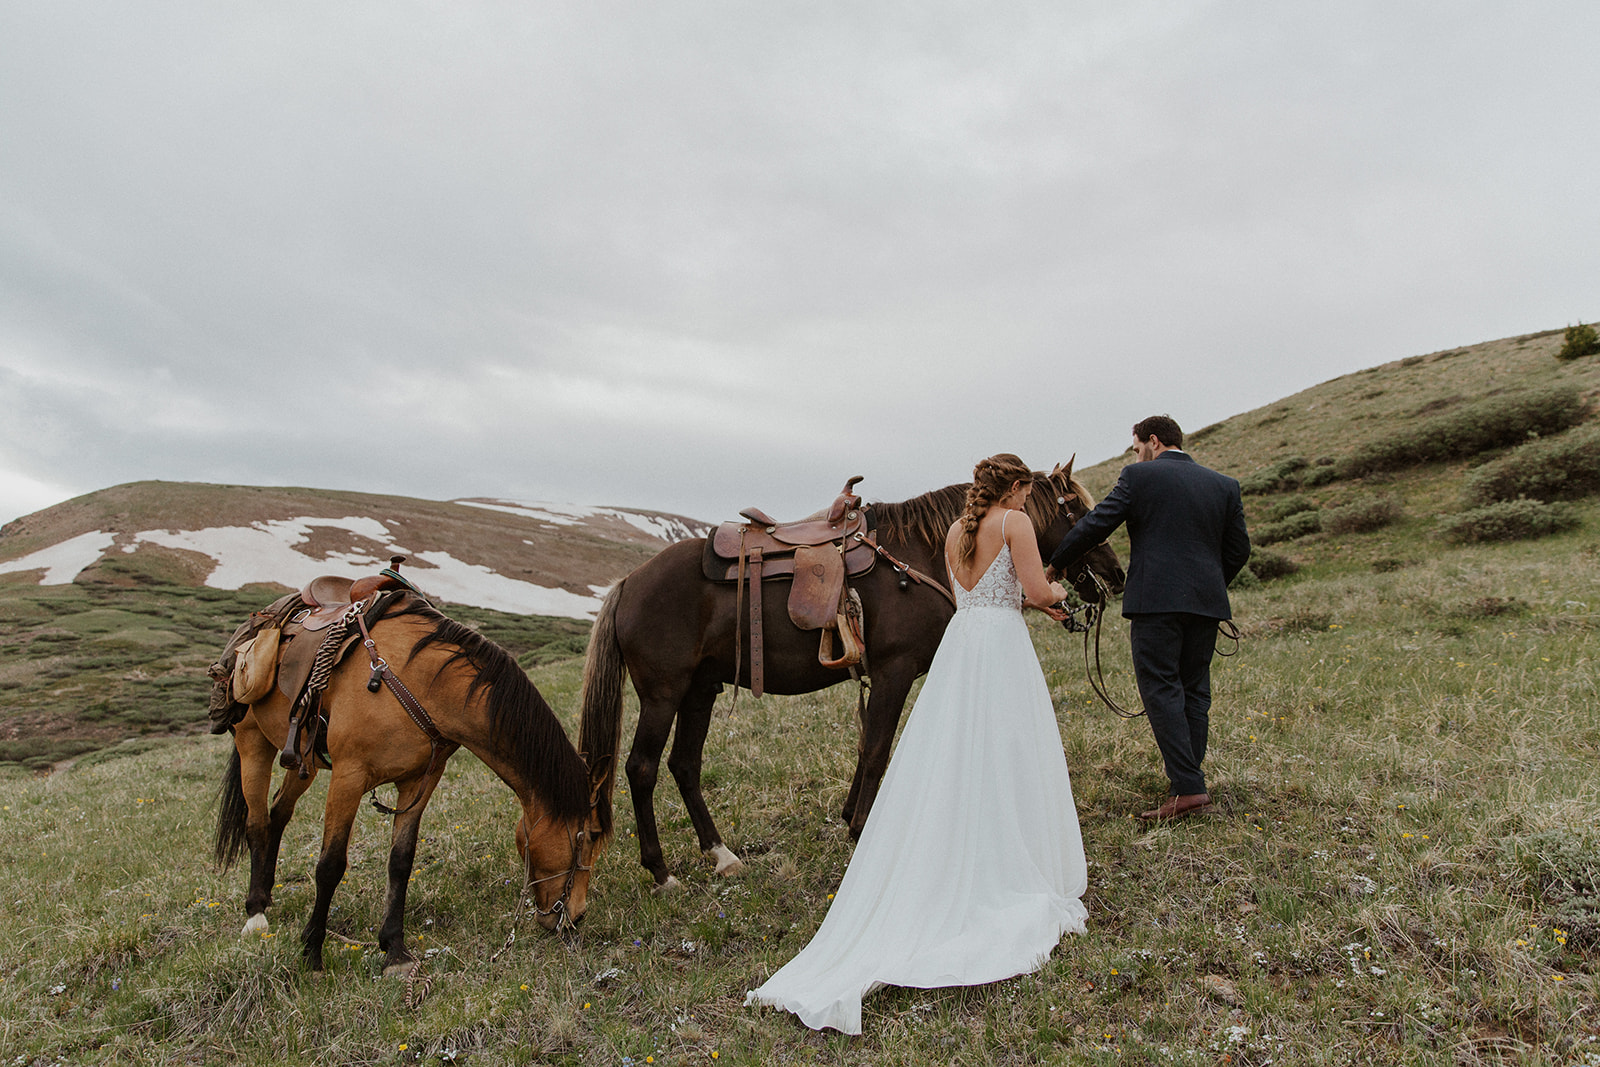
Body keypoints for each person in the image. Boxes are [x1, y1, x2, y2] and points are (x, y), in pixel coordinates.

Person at [745, 454, 1089, 1034]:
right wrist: (1056, 596)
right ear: (1019, 487)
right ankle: (1007, 857)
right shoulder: (1017, 523)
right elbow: (1032, 586)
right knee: (1008, 752)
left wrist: (1032, 600)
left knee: (954, 754)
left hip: (964, 643)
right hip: (1001, 647)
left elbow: (984, 591)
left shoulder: (956, 530)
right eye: (1028, 488)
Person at [1047, 415, 1250, 821]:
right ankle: (1187, 784)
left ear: (1152, 441)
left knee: (1160, 689)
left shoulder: (1139, 478)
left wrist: (1056, 564)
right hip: (1205, 604)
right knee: (1194, 691)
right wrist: (1207, 586)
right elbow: (1239, 549)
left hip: (1156, 602)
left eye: (1136, 445)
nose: (1136, 453)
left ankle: (1189, 789)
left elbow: (1095, 525)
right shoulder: (1225, 485)